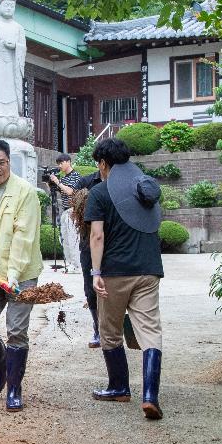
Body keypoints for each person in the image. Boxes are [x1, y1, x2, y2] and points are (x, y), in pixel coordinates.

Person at [85, 137, 166, 420]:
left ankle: (119, 387)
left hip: (115, 273)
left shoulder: (100, 192)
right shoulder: (146, 187)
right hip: (149, 270)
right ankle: (150, 396)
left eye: (99, 165)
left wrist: (96, 272)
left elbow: (97, 235)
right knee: (150, 332)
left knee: (109, 332)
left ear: (104, 164)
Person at [0, 140, 44, 412]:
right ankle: (2, 369)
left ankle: (14, 387)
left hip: (20, 274)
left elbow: (23, 238)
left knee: (16, 330)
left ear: (9, 162)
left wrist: (13, 275)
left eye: (2, 162)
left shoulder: (25, 192)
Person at [71, 174, 103, 347]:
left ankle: (113, 327)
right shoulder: (86, 181)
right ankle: (98, 328)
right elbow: (76, 206)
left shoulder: (115, 182)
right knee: (91, 289)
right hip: (88, 243)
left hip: (113, 243)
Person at [47, 153, 84, 273]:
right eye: (58, 163)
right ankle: (70, 264)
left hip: (73, 211)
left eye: (61, 163)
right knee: (65, 239)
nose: (60, 166)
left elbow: (69, 192)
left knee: (73, 239)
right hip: (65, 210)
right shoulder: (63, 178)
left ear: (68, 161)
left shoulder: (76, 176)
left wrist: (57, 182)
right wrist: (50, 184)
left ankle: (77, 266)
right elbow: (58, 191)